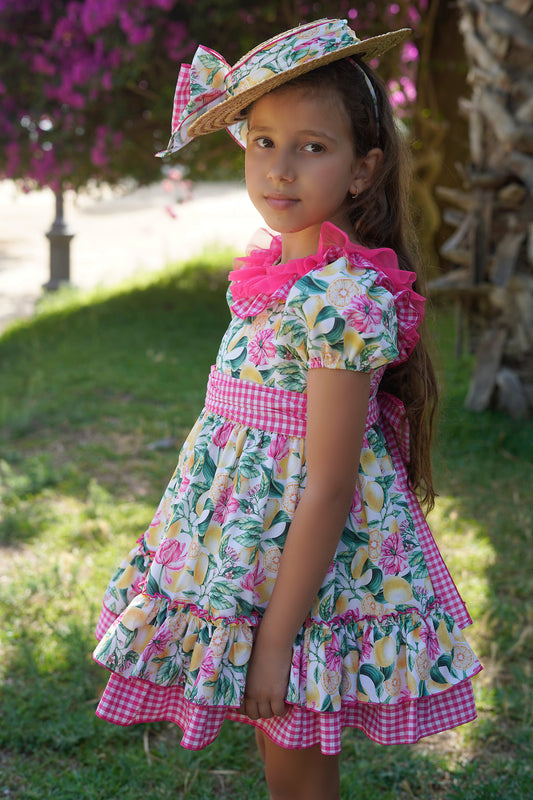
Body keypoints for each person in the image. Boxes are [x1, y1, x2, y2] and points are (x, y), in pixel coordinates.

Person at [93, 18, 481, 800]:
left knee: (300, 772)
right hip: (247, 554)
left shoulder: (340, 296)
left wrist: (274, 643)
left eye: (311, 146)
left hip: (304, 584)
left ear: (362, 169)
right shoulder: (279, 273)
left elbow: (331, 483)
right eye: (262, 141)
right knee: (283, 763)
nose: (279, 168)